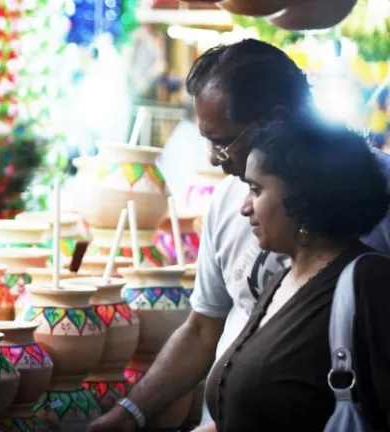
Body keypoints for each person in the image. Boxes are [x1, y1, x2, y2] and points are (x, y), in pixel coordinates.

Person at [87, 39, 390, 432]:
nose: (214, 158)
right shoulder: (231, 200)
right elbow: (202, 329)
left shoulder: (373, 216)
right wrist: (130, 414)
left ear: (274, 120)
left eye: (222, 141)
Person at [207, 115, 390, 430]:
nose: (244, 207)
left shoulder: (370, 283)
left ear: (301, 197)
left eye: (256, 189)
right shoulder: (283, 279)